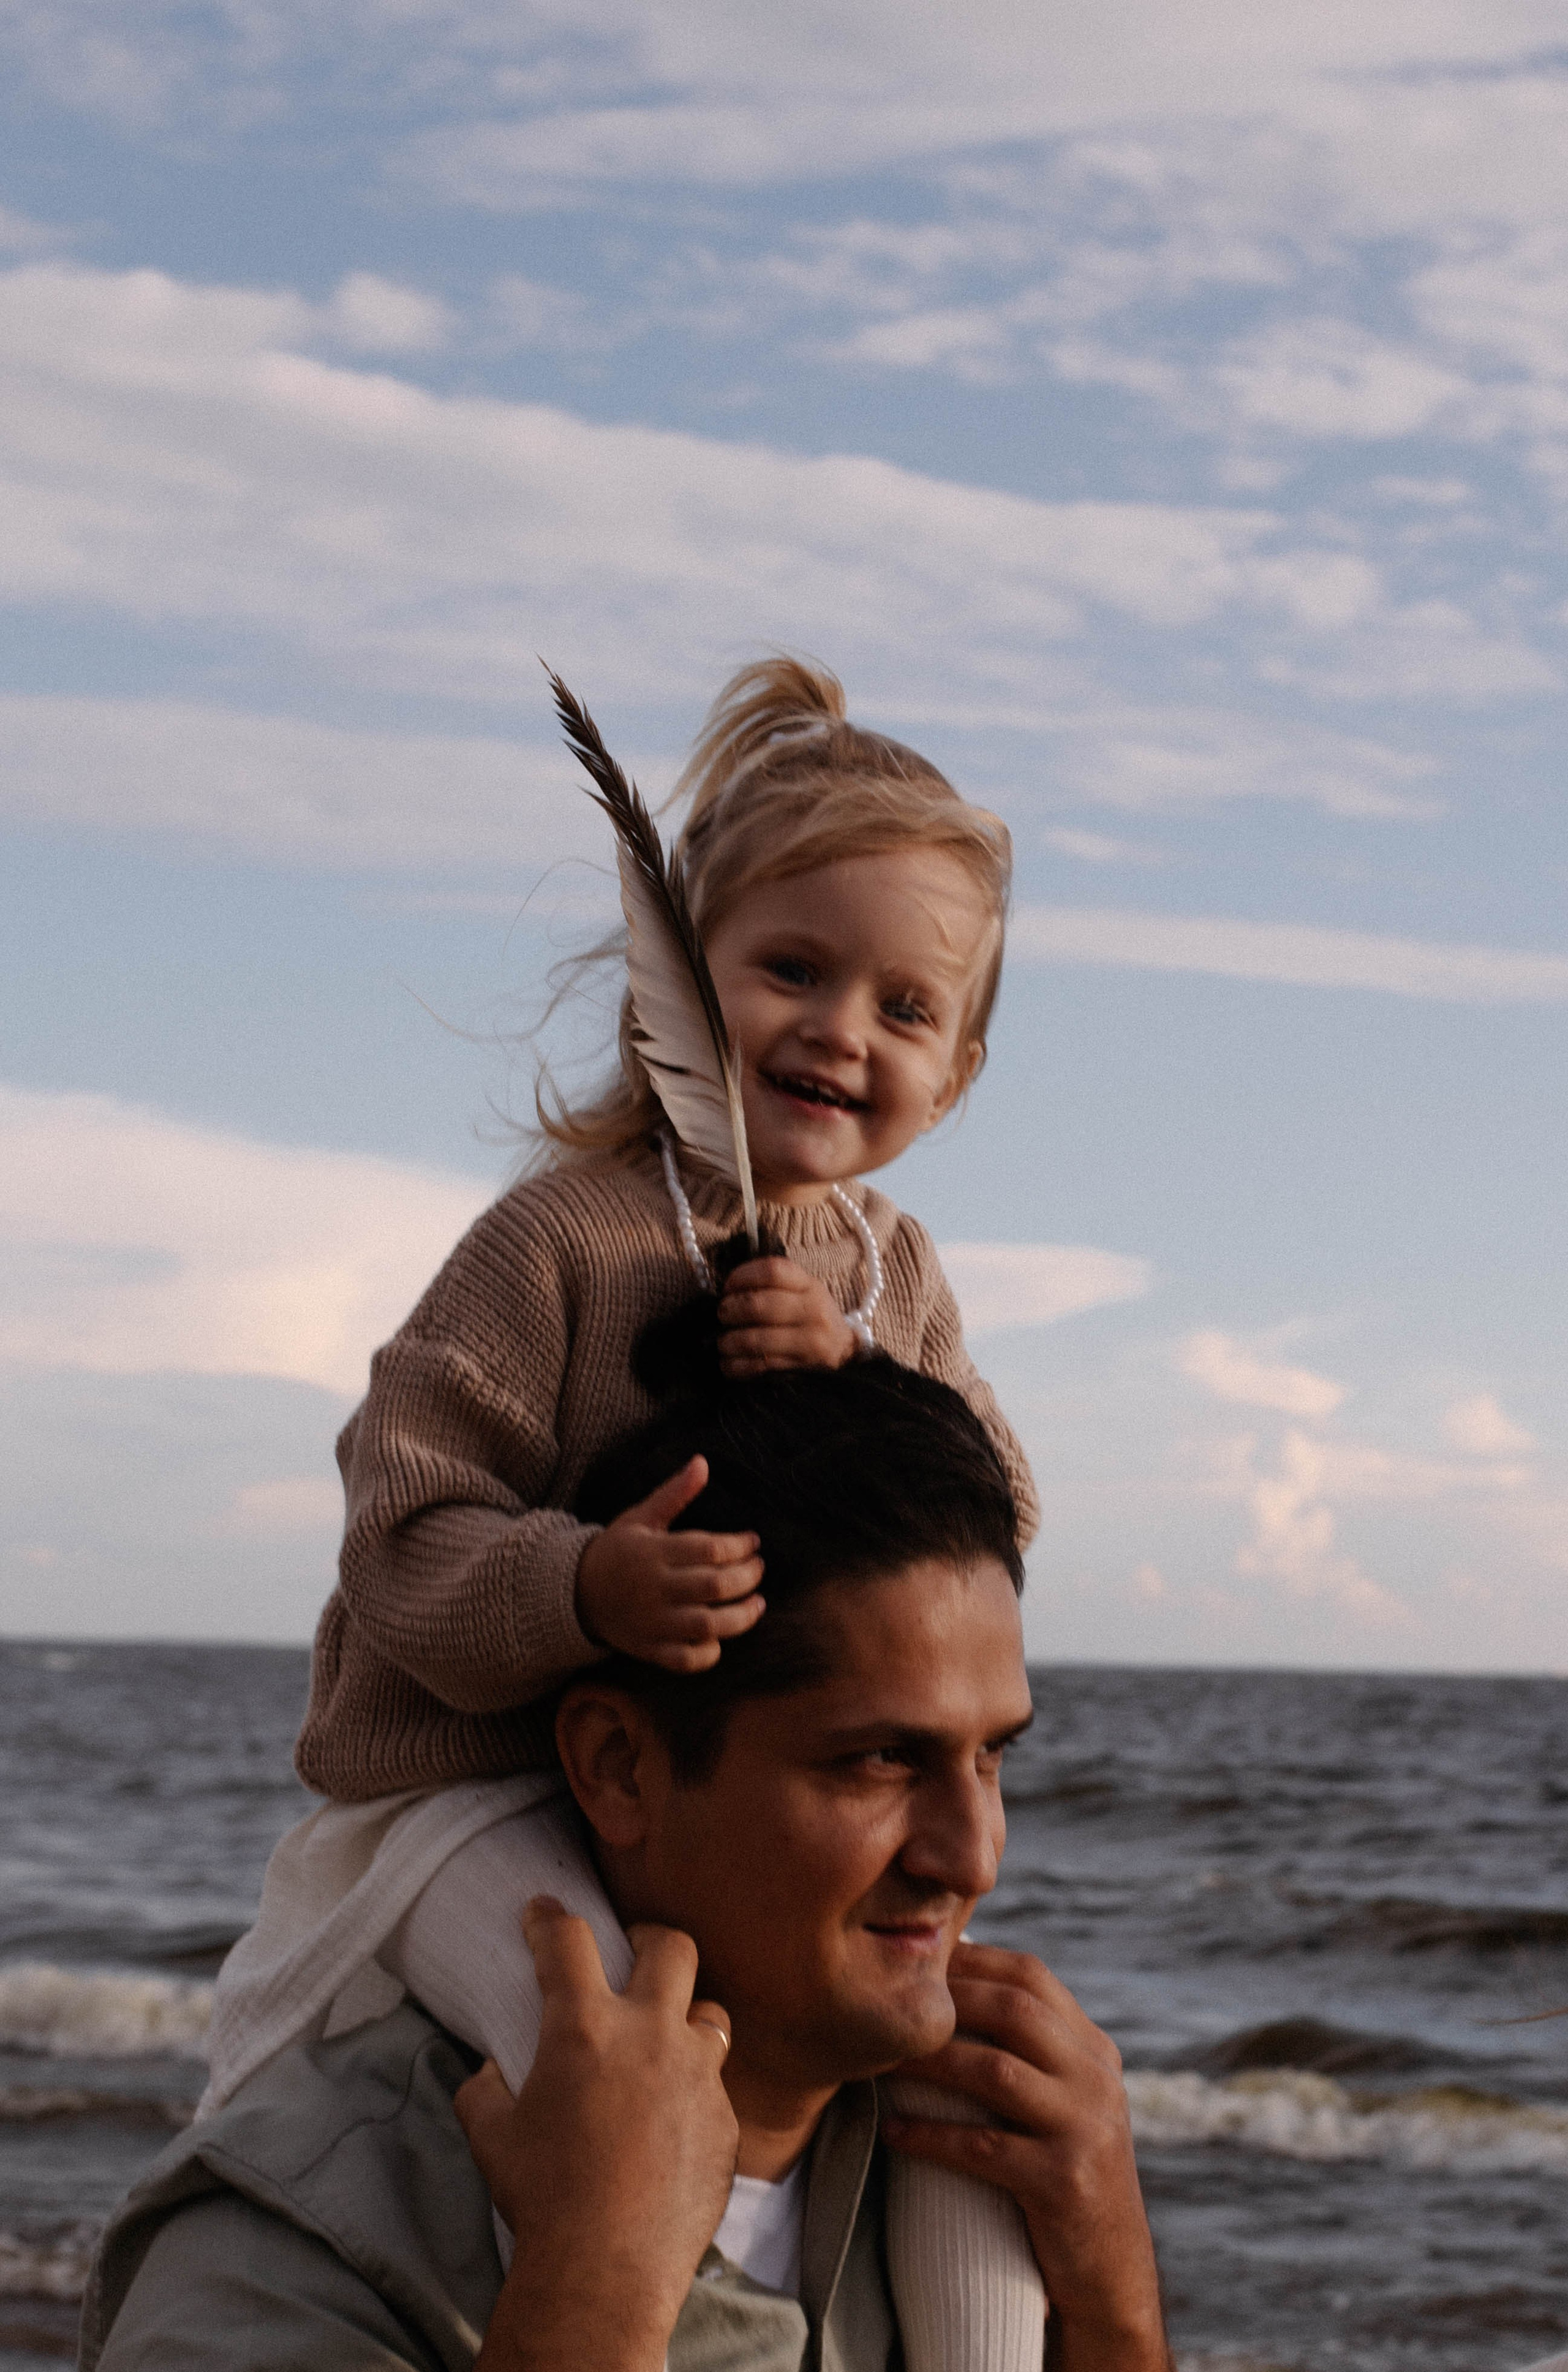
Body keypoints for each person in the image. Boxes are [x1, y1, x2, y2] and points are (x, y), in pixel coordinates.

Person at [199, 657, 1047, 2367]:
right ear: (684, 981)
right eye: (792, 971)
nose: (838, 1031)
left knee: (966, 2082)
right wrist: (585, 1585)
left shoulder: (893, 1276)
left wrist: (869, 1370)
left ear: (953, 1077)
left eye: (903, 1009)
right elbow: (397, 1536)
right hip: (477, 1799)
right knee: (623, 2069)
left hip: (705, 1818)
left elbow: (993, 1518)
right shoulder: (562, 1241)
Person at [83, 1364, 1171, 2372]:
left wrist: (1115, 2311)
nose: (972, 1855)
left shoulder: (985, 2194)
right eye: (881, 1760)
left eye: (992, 1757)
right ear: (618, 1767)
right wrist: (594, 2283)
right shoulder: (301, 2237)